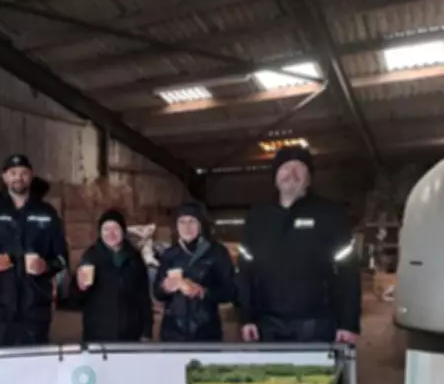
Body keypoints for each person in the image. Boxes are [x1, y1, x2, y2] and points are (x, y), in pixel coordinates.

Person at [237, 146, 361, 343]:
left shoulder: (330, 215)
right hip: (267, 324)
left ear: (309, 178)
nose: (291, 173)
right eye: (285, 167)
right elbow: (245, 273)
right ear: (276, 176)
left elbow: (349, 273)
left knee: (316, 375)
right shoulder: (257, 218)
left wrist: (348, 323)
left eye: (299, 168)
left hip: (316, 324)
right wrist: (246, 318)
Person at [0, 154, 68, 347]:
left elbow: (62, 257)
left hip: (36, 306)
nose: (18, 178)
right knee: (1, 365)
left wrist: (45, 265)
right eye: (12, 173)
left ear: (31, 176)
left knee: (36, 364)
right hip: (0, 306)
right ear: (4, 177)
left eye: (23, 173)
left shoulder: (46, 213)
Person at [153, 202, 237, 342]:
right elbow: (157, 293)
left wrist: (203, 292)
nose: (187, 227)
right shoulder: (169, 254)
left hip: (206, 332)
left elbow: (230, 291)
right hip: (173, 333)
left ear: (201, 224)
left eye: (192, 221)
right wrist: (165, 287)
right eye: (182, 222)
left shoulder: (216, 253)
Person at [72, 210, 153, 343]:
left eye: (115, 228)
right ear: (100, 232)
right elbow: (75, 299)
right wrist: (79, 287)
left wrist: (147, 331)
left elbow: (144, 297)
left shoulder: (134, 258)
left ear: (123, 231)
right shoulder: (90, 256)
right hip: (98, 333)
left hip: (131, 333)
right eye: (106, 229)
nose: (110, 233)